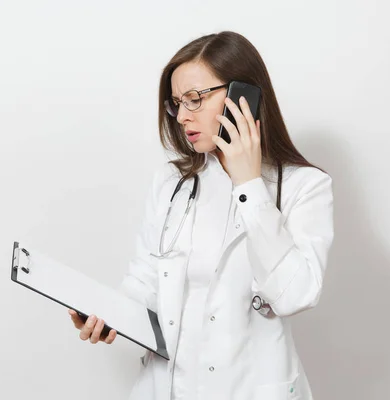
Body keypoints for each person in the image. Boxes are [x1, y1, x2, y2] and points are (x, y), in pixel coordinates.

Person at [68, 30, 334, 400]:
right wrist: (111, 314)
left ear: (246, 96)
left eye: (194, 99)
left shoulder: (304, 187)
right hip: (167, 388)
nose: (182, 117)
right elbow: (145, 279)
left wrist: (249, 185)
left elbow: (295, 295)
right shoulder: (172, 182)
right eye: (176, 103)